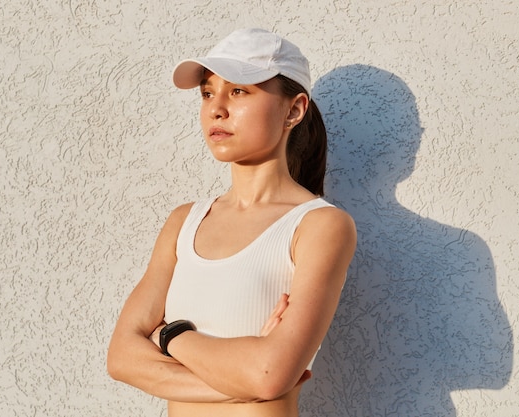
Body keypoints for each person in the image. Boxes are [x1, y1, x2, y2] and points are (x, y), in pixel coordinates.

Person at [107, 28, 356, 417]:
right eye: (207, 93)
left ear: (294, 109)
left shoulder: (320, 226)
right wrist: (244, 380)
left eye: (238, 91)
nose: (216, 108)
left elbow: (269, 373)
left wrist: (170, 335)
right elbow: (121, 358)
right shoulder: (184, 221)